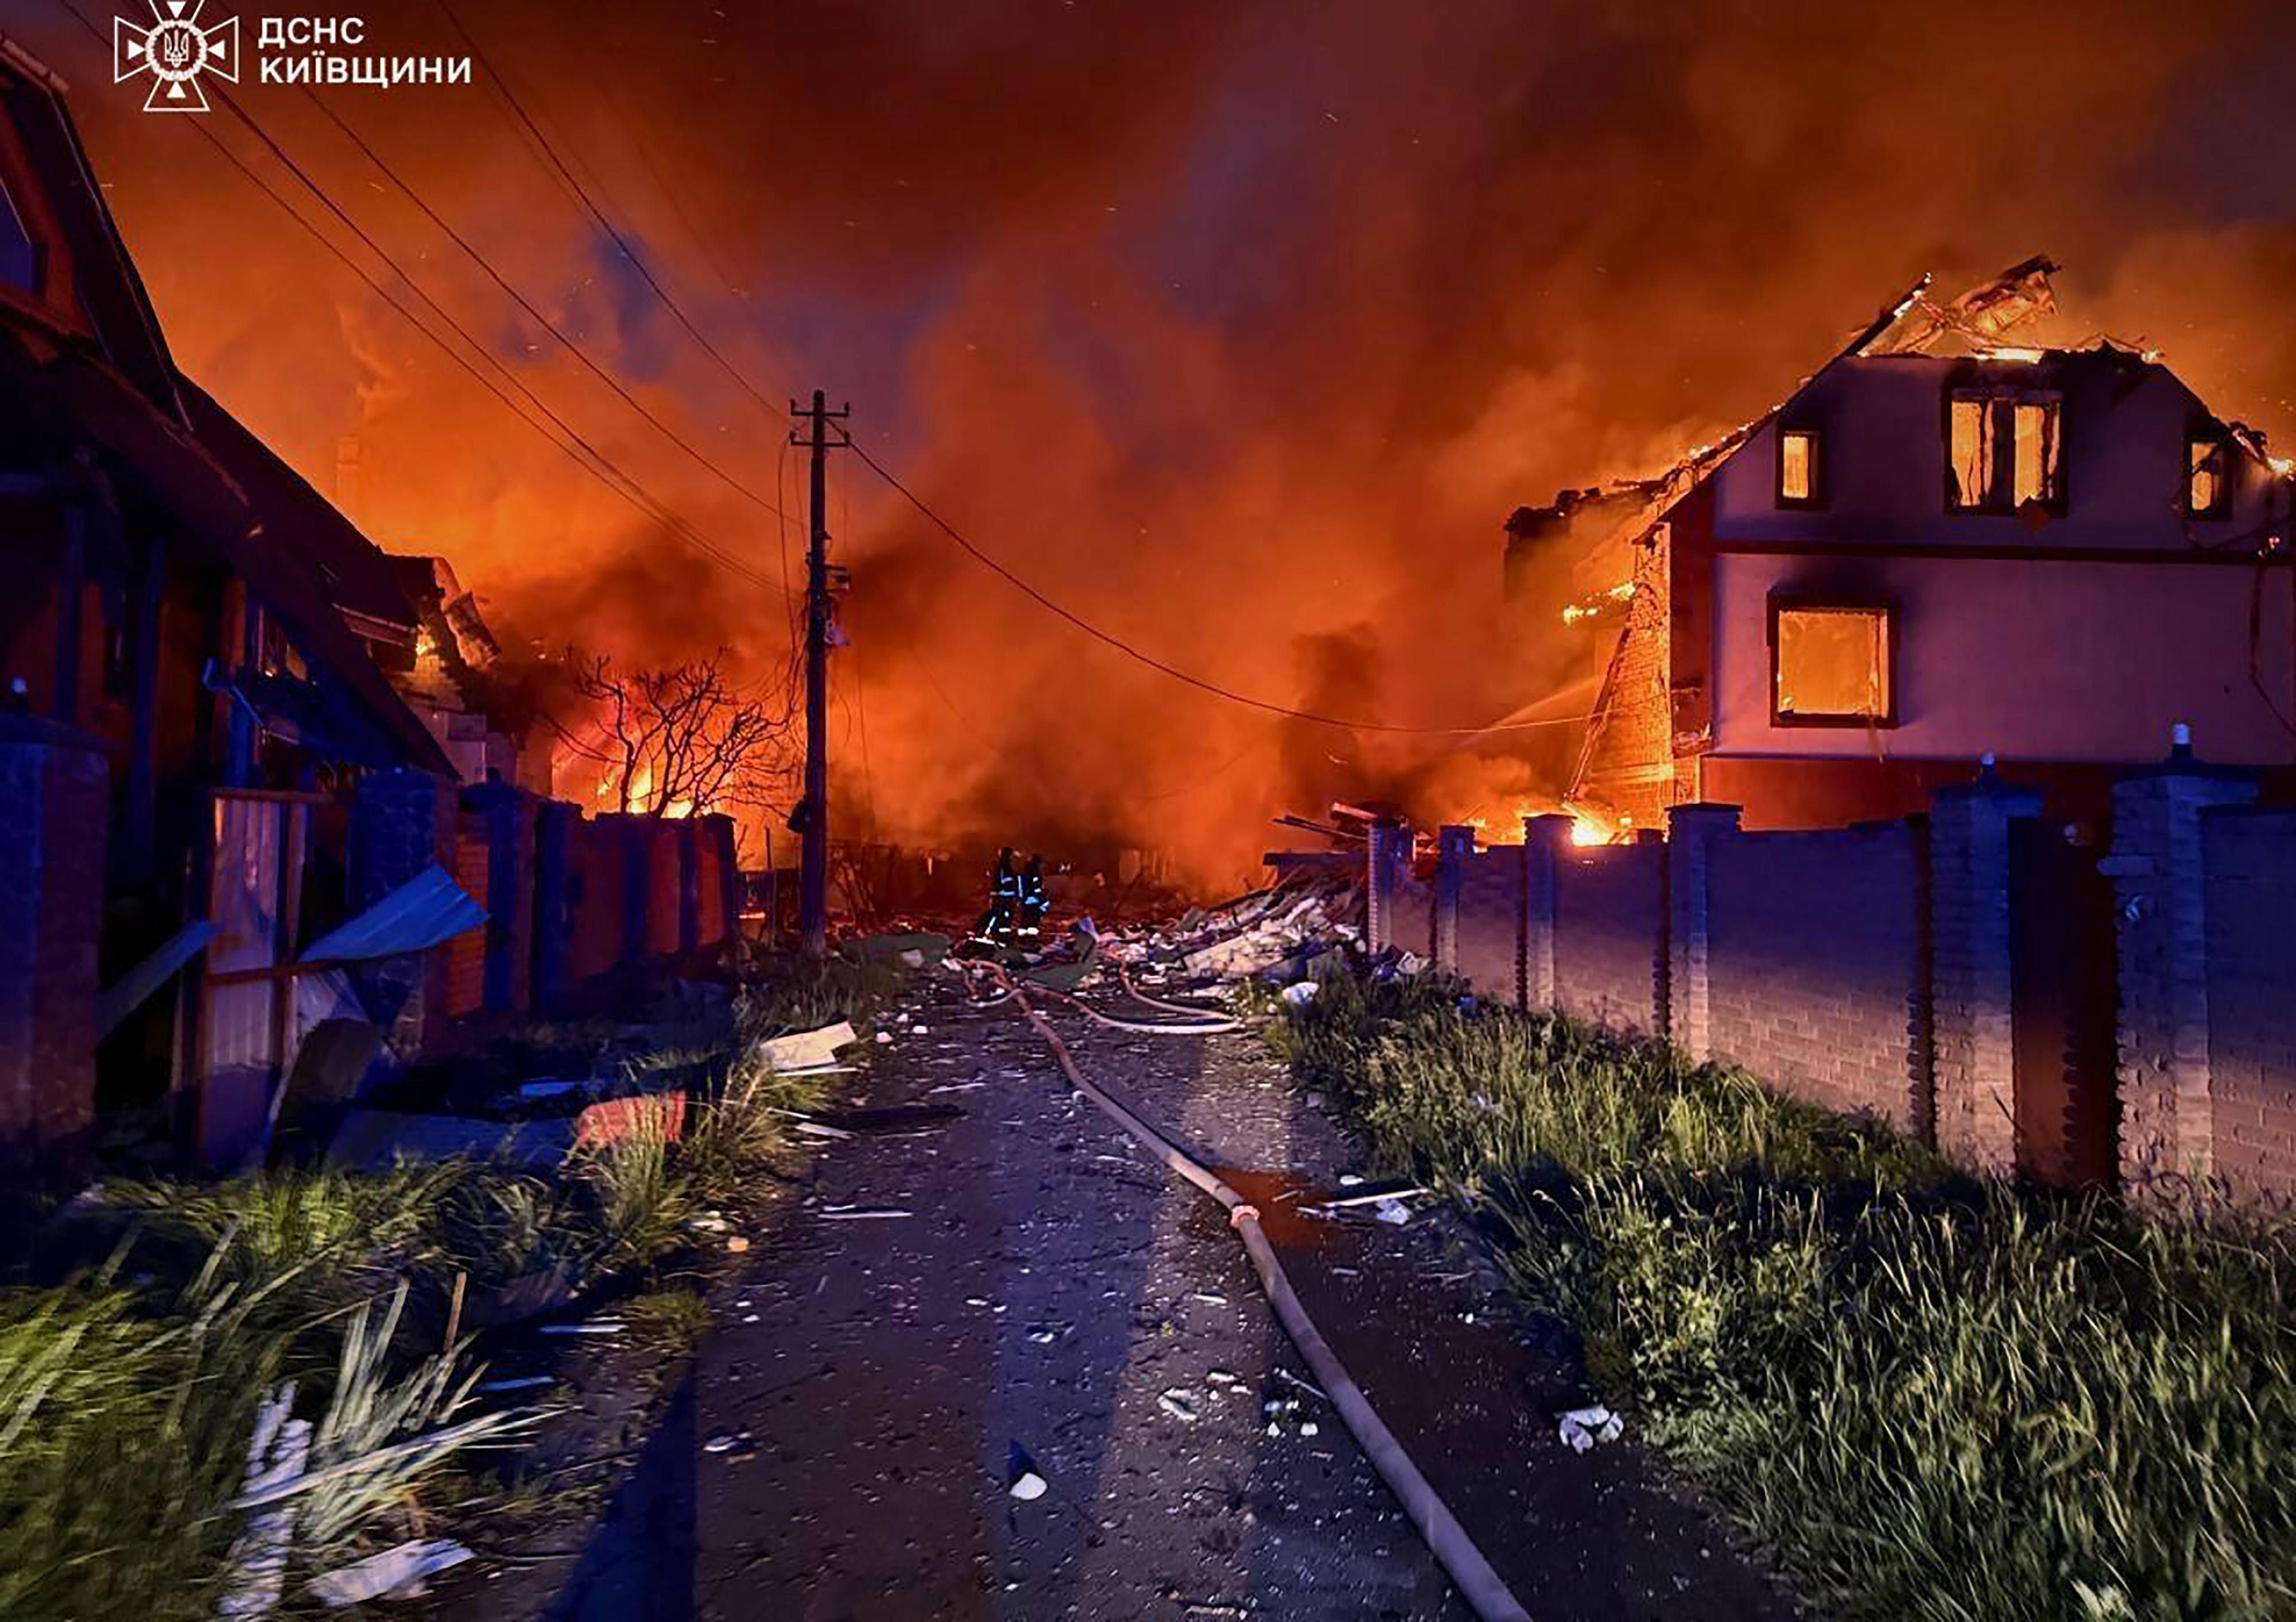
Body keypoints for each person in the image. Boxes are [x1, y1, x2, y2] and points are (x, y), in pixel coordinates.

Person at [975, 847, 1022, 942]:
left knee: (997, 913)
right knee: (999, 913)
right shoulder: (1004, 866)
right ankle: (990, 931)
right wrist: (1013, 890)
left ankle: (986, 930)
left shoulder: (999, 865)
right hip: (1003, 895)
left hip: (1001, 894)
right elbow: (1006, 881)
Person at [1017, 854, 1049, 939]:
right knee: (1033, 918)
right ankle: (1031, 937)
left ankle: (1022, 936)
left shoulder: (1025, 873)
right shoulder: (1035, 874)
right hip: (1032, 899)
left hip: (1027, 899)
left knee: (1025, 918)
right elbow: (1037, 888)